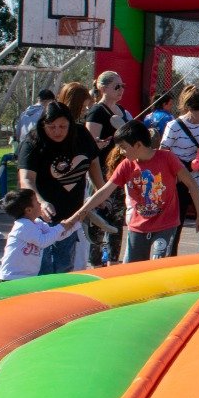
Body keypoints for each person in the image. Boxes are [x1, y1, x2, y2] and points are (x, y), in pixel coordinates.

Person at [66, 121, 199, 262]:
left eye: (123, 147)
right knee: (133, 267)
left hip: (165, 225)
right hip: (138, 227)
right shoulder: (126, 165)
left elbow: (192, 184)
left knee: (158, 264)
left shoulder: (167, 158)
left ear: (138, 145)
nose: (121, 152)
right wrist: (79, 213)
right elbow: (105, 191)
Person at [16, 100, 103, 275]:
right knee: (43, 266)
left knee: (64, 264)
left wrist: (101, 192)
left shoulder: (81, 135)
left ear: (70, 124)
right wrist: (41, 202)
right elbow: (26, 179)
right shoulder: (33, 142)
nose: (57, 131)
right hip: (41, 217)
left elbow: (93, 163)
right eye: (52, 127)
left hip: (71, 215)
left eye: (63, 126)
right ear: (43, 125)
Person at [160, 89, 199, 255]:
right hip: (179, 180)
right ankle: (169, 259)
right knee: (175, 223)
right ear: (190, 108)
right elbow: (163, 152)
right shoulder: (174, 126)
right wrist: (179, 169)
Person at [85, 71, 131, 267]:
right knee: (99, 216)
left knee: (117, 218)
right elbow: (89, 146)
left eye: (123, 86)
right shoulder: (97, 111)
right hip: (101, 172)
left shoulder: (123, 111)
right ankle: (95, 262)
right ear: (102, 88)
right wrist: (98, 144)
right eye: (116, 86)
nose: (121, 90)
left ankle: (113, 261)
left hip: (120, 170)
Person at [0, 188, 77, 281]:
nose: (40, 204)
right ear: (29, 210)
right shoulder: (22, 225)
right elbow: (43, 241)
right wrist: (61, 227)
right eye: (37, 201)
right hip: (12, 277)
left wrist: (75, 225)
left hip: (27, 277)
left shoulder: (37, 222)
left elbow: (55, 235)